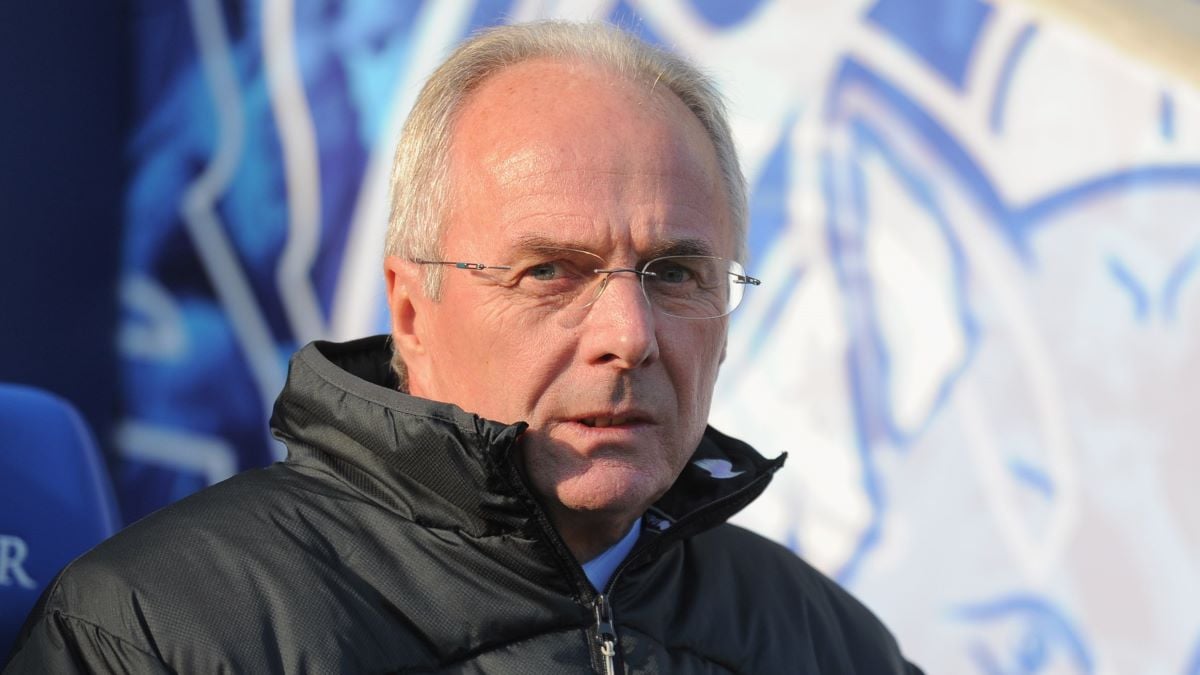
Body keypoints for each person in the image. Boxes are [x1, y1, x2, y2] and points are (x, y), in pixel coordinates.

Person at [5, 21, 923, 674]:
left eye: (677, 272)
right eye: (550, 271)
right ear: (412, 309)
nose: (629, 336)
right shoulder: (161, 632)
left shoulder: (830, 644)